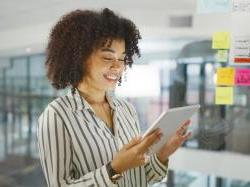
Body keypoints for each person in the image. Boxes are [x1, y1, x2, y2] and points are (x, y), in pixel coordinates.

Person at [37, 8, 191, 187]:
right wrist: (114, 169)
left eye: (123, 59)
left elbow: (140, 177)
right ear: (79, 58)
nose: (117, 67)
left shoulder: (126, 109)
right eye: (108, 57)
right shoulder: (57, 116)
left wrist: (162, 155)